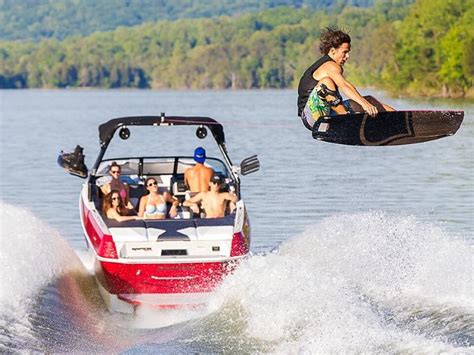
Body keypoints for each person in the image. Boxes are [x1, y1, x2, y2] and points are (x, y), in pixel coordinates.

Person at [297, 27, 395, 130]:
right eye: (345, 52)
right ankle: (346, 120)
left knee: (370, 101)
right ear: (333, 51)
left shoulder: (334, 67)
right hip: (311, 117)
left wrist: (366, 103)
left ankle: (399, 120)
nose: (347, 56)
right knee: (326, 83)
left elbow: (348, 89)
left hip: (330, 112)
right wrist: (363, 104)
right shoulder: (330, 65)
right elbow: (344, 85)